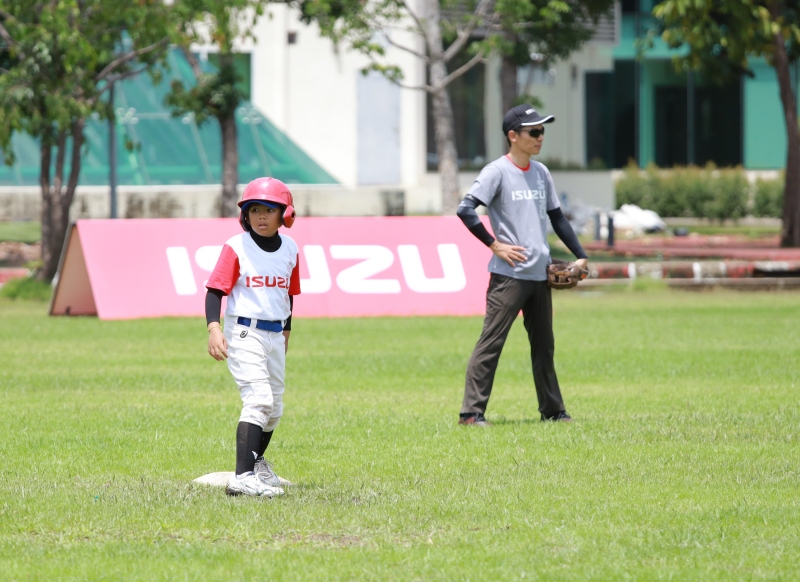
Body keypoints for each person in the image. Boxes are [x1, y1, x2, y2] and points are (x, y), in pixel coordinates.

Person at [456, 104, 588, 426]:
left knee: (544, 346)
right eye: (534, 131)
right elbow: (466, 209)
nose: (540, 137)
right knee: (491, 343)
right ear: (513, 136)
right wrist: (494, 244)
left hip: (539, 274)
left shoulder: (541, 172)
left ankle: (553, 411)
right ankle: (471, 414)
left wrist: (580, 253)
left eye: (542, 131)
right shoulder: (497, 172)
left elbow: (557, 217)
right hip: (508, 276)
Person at [205, 177, 301, 496]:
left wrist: (286, 331)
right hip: (244, 331)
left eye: (269, 210)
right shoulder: (236, 246)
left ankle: (256, 465)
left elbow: (289, 294)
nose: (261, 216)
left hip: (275, 333)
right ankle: (242, 477)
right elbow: (215, 290)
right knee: (258, 399)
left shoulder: (290, 248)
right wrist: (213, 327)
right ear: (244, 214)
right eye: (254, 209)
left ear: (284, 215)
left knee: (275, 408)